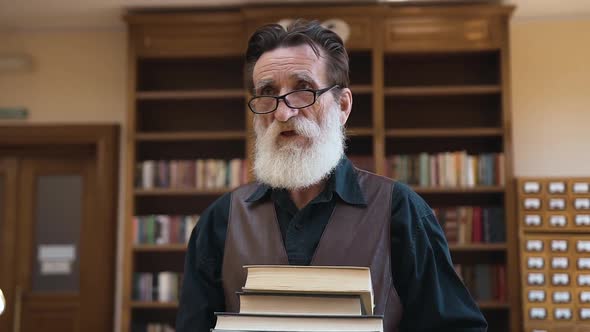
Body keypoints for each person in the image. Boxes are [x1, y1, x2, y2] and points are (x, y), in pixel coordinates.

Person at [176, 20, 487, 332]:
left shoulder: (400, 210)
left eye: (303, 90)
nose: (283, 113)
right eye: (268, 93)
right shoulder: (220, 221)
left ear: (343, 106)